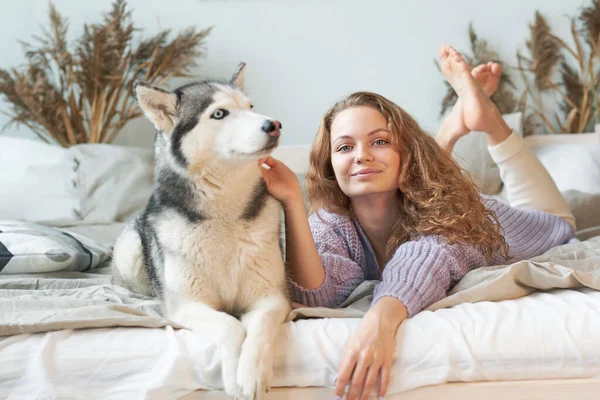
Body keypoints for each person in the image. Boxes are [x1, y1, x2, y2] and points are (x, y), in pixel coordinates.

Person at [259, 45, 576, 400]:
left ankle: (487, 119)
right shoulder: (332, 224)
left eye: (379, 141)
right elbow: (315, 293)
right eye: (345, 147)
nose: (361, 154)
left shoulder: (452, 220)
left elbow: (425, 259)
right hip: (428, 192)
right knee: (422, 179)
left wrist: (379, 321)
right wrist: (292, 202)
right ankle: (455, 124)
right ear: (329, 164)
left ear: (403, 154)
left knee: (562, 219)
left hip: (526, 225)